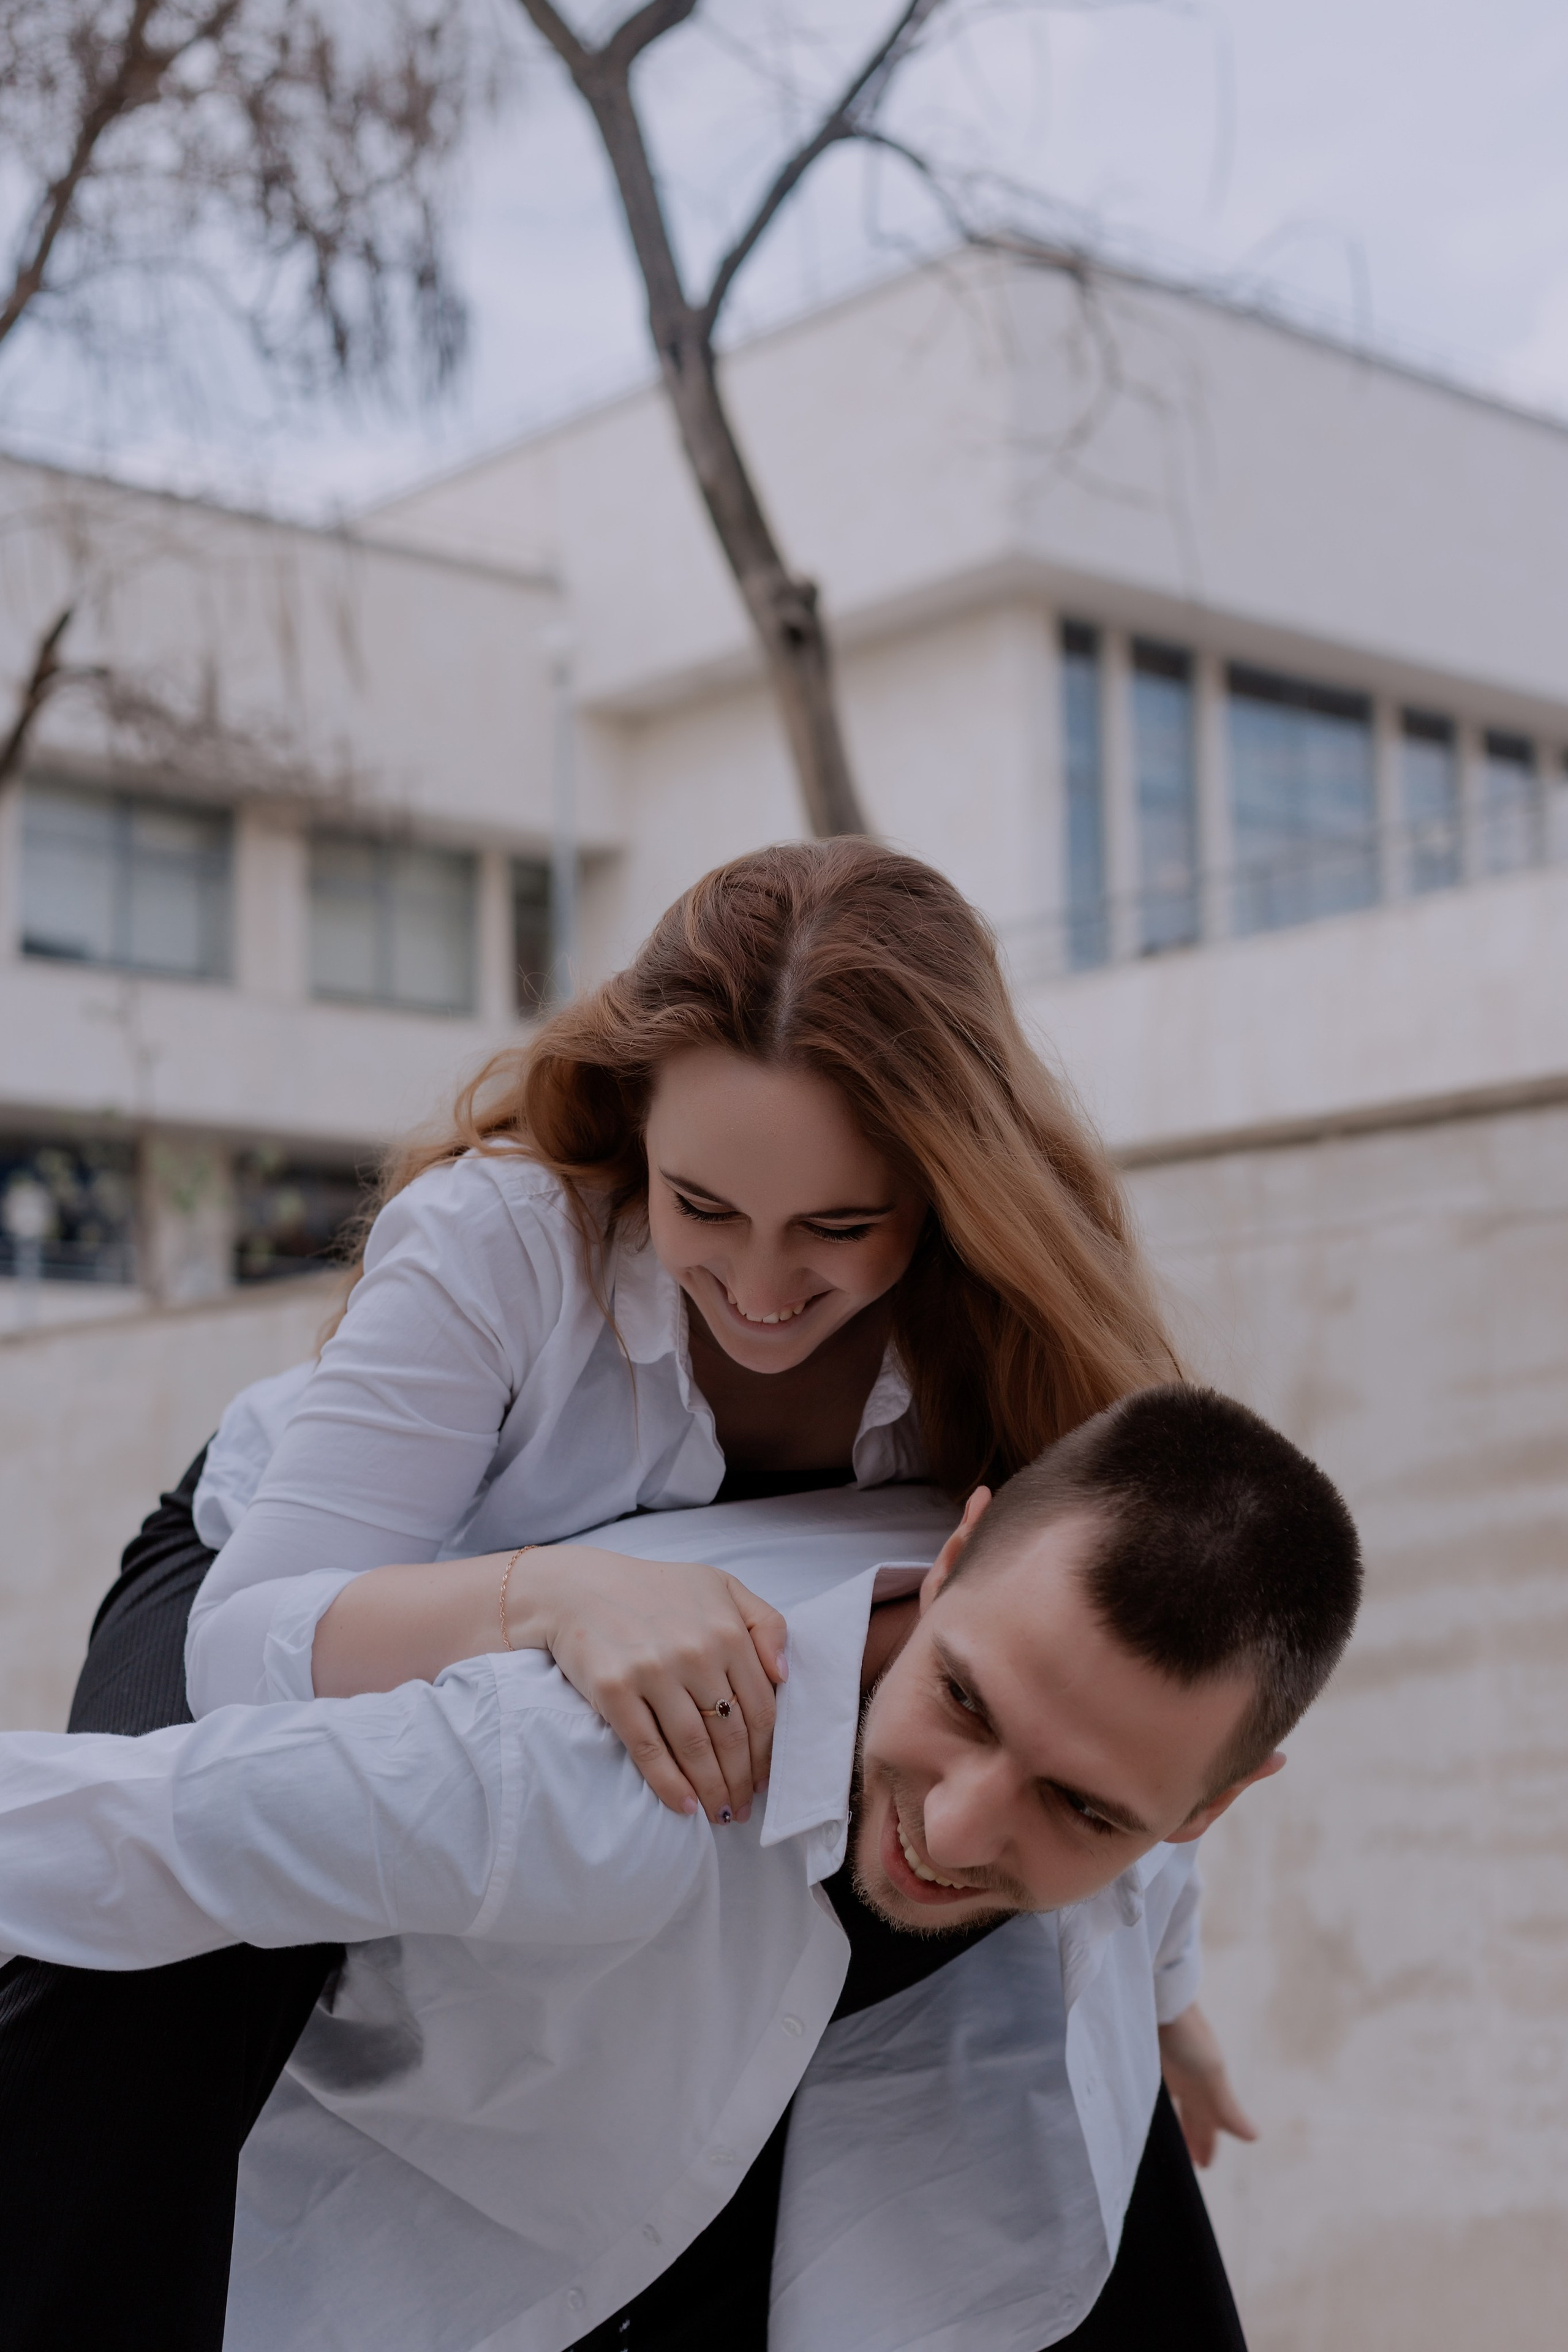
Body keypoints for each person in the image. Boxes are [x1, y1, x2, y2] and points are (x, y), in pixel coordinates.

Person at [0, 838, 1186, 2350]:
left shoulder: (1009, 1333)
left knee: (1046, 2022)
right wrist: (550, 1595)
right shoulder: (500, 1235)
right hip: (292, 1579)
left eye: (838, 1227)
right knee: (186, 1919)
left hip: (653, 1655)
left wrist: (1161, 1990)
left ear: (948, 1184)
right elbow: (251, 1642)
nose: (762, 1288)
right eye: (703, 1207)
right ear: (634, 1126)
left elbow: (1105, 1691)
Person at [0, 1387, 1362, 2352]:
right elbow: (104, 1829)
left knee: (1097, 2137)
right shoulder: (589, 1776)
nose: (954, 1831)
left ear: (1208, 1808)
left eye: (1083, 1809)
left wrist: (1172, 2010)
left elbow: (1147, 1881)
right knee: (147, 1960)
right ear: (948, 1564)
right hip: (284, 1539)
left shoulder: (1106, 1737)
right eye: (964, 1703)